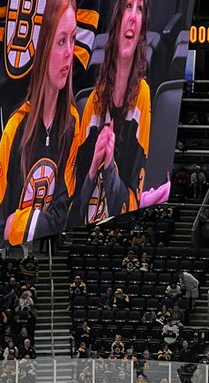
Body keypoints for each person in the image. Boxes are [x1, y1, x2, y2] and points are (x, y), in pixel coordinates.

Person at [0, 0, 81, 253]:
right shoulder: (16, 127)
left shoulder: (72, 123)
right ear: (43, 44)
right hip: (10, 103)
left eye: (72, 39)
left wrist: (24, 225)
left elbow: (64, 210)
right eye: (61, 42)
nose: (69, 52)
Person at [71, 0, 150, 225]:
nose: (133, 17)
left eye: (140, 9)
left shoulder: (142, 96)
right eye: (127, 7)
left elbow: (131, 201)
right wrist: (92, 169)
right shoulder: (94, 101)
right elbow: (72, 206)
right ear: (115, 22)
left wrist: (108, 168)